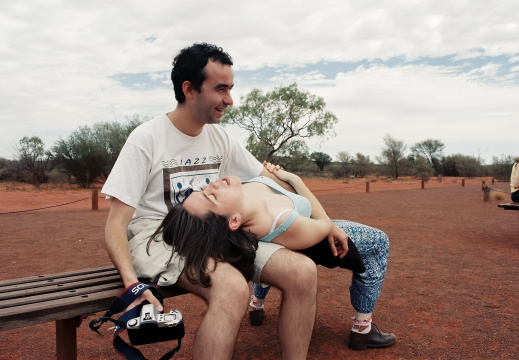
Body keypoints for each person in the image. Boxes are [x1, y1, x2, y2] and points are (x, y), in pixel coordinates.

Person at [102, 43, 318, 360]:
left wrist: (323, 223)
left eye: (230, 89)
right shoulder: (147, 138)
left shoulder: (220, 137)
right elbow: (115, 226)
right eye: (221, 89)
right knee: (231, 288)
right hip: (159, 234)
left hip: (212, 232)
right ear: (189, 89)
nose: (229, 100)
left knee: (303, 272)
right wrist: (132, 285)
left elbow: (270, 178)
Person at [161, 164, 396, 350]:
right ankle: (363, 330)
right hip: (312, 226)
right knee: (379, 242)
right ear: (234, 221)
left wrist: (270, 173)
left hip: (275, 234)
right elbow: (324, 225)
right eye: (211, 196)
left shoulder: (237, 196)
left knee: (265, 248)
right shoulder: (283, 221)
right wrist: (294, 179)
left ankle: (257, 303)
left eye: (204, 190)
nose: (212, 184)